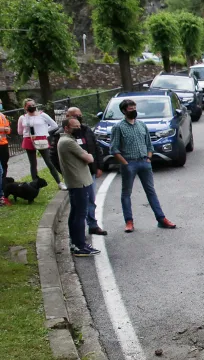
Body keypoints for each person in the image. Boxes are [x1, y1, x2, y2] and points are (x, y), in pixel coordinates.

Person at [109, 98, 176, 232]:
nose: (134, 111)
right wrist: (125, 163)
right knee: (126, 193)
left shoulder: (141, 125)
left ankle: (161, 219)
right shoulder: (118, 127)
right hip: (129, 163)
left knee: (151, 191)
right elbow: (114, 148)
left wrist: (148, 158)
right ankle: (129, 221)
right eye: (130, 109)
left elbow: (149, 144)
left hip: (144, 162)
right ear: (123, 111)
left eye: (134, 108)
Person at [57, 117, 101, 257]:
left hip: (79, 181)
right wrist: (89, 155)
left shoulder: (66, 140)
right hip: (79, 182)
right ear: (66, 128)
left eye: (79, 126)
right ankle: (80, 245)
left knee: (75, 213)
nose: (78, 128)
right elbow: (89, 158)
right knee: (80, 214)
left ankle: (76, 242)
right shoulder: (68, 142)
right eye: (75, 127)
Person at [65, 108, 106, 236]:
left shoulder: (87, 130)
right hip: (76, 174)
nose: (78, 118)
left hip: (90, 171)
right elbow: (55, 157)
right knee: (78, 205)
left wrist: (99, 166)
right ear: (68, 117)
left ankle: (92, 225)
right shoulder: (64, 137)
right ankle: (78, 233)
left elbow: (95, 147)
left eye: (80, 116)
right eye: (75, 116)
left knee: (91, 200)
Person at [17, 100, 63, 188]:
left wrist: (44, 131)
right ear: (25, 107)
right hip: (28, 139)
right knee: (33, 164)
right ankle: (35, 185)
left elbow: (54, 125)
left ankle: (59, 182)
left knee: (49, 162)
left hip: (41, 139)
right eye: (29, 105)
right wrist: (27, 132)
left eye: (33, 105)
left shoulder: (42, 115)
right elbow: (19, 131)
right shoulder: (23, 117)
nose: (32, 106)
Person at [0, 110, 10, 206]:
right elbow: (5, 129)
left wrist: (4, 129)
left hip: (3, 144)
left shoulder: (2, 116)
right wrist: (3, 129)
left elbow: (8, 129)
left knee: (4, 167)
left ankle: (3, 187)